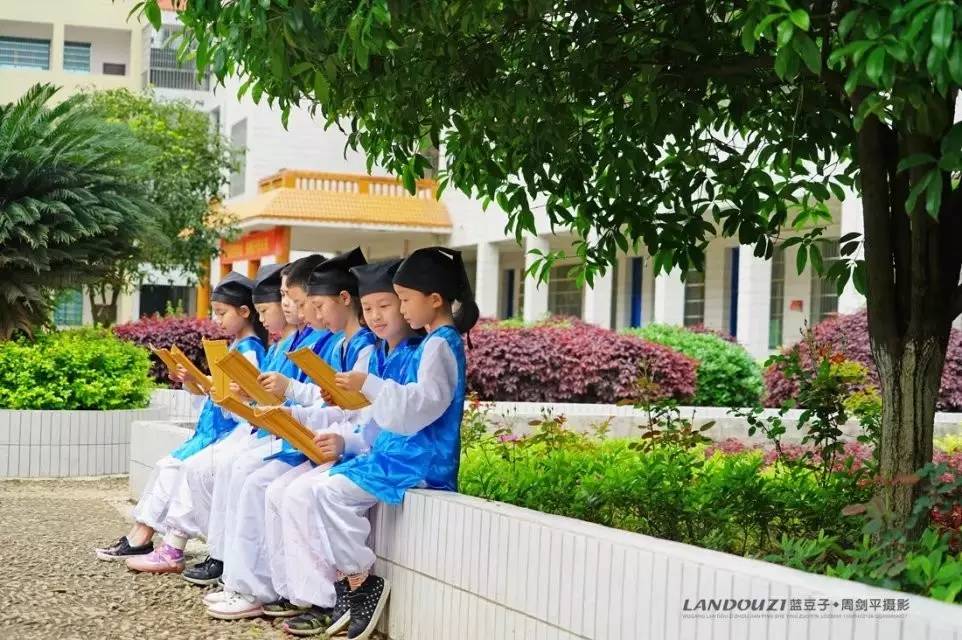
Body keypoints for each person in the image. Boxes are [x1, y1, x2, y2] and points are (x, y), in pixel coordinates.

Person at [280, 247, 478, 639]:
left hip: (423, 459)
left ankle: (360, 580)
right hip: (401, 451)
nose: (401, 311)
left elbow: (421, 406)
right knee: (322, 489)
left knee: (331, 491)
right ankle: (350, 585)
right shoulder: (434, 342)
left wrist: (367, 386)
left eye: (403, 300)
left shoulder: (440, 344)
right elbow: (401, 408)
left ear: (434, 300)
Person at [206, 248, 378, 620]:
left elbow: (359, 410)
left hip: (343, 447)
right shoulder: (332, 341)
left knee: (270, 487)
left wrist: (293, 404)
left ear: (344, 300)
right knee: (252, 478)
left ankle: (302, 595)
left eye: (309, 303)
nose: (303, 312)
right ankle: (270, 587)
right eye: (297, 302)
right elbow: (333, 401)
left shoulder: (358, 346)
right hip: (318, 439)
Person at [271, 258, 422, 636]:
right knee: (281, 489)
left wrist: (343, 439)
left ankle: (335, 595)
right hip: (360, 446)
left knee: (305, 492)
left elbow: (379, 418)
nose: (376, 316)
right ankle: (319, 593)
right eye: (370, 308)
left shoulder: (390, 352)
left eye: (387, 305)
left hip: (396, 456)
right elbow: (355, 414)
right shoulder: (369, 349)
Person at [94, 272, 267, 570]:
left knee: (175, 469)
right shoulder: (236, 348)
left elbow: (241, 402)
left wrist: (214, 388)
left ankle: (160, 544)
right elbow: (218, 399)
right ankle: (142, 536)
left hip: (228, 434)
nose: (217, 320)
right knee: (167, 467)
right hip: (213, 430)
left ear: (245, 311)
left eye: (222, 313)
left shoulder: (251, 351)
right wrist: (194, 383)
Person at [172, 262, 298, 586]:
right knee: (200, 469)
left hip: (279, 433)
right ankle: (222, 556)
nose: (283, 306)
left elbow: (300, 399)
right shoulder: (280, 344)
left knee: (232, 471)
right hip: (259, 428)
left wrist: (243, 397)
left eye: (287, 298)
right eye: (279, 298)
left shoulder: (274, 346)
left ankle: (244, 573)